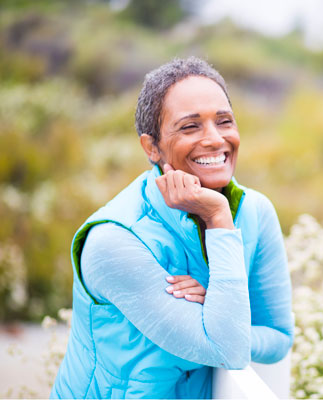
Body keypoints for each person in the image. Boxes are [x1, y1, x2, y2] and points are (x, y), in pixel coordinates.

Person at [51, 57, 294, 399]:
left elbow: (279, 338)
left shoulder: (255, 212)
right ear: (152, 147)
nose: (214, 139)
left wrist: (219, 309)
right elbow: (228, 350)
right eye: (190, 126)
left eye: (224, 121)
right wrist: (219, 221)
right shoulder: (113, 241)